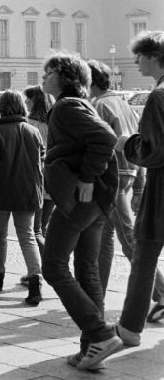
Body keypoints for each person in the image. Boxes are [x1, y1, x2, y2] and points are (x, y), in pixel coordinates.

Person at [40, 53, 122, 371]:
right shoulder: (76, 104)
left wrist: (88, 176)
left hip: (82, 198)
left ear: (65, 77)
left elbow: (105, 137)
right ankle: (93, 349)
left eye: (50, 73)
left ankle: (100, 333)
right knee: (86, 270)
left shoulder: (66, 105)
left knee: (54, 266)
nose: (43, 77)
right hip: (99, 200)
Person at [88, 59, 164, 316]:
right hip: (130, 171)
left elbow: (99, 146)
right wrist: (140, 182)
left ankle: (162, 293)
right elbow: (142, 139)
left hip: (113, 175)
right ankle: (96, 295)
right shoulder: (122, 102)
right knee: (108, 235)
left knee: (129, 237)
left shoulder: (99, 105)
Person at [0, 90, 45, 306]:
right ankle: (35, 281)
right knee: (27, 236)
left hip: (0, 192)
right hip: (28, 192)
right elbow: (40, 161)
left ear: (2, 107)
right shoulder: (33, 131)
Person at [117, 31, 164, 348]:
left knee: (144, 255)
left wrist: (127, 144)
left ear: (153, 56)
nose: (135, 61)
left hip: (161, 191)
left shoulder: (158, 97)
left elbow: (154, 151)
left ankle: (130, 328)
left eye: (140, 55)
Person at [23, 85, 55, 256]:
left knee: (35, 230)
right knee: (44, 226)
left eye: (29, 98)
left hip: (38, 180)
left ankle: (50, 267)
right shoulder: (53, 122)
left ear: (37, 102)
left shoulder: (30, 124)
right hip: (54, 178)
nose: (26, 101)